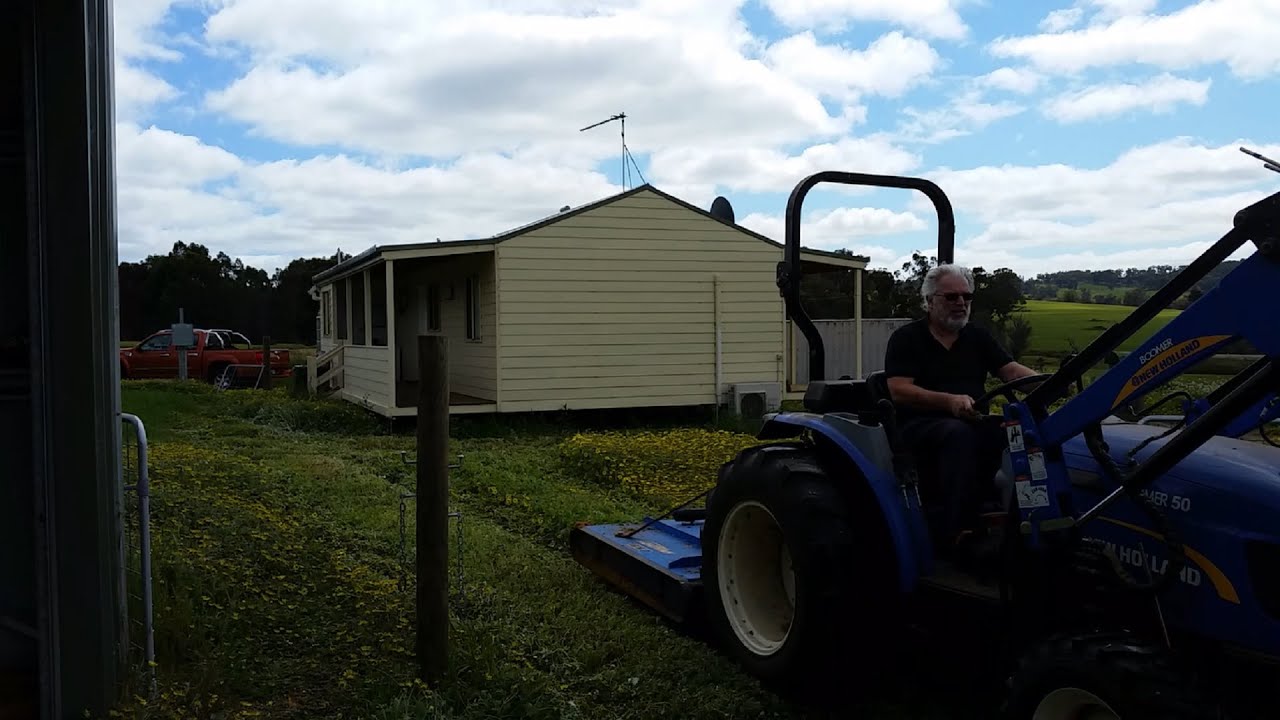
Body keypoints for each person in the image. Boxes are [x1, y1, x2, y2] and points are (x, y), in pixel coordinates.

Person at [882, 263, 1040, 568]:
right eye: (951, 297)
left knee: (1012, 431)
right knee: (960, 436)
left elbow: (1009, 371)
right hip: (918, 425)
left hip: (971, 420)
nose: (961, 304)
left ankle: (1016, 516)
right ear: (929, 301)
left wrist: (1045, 380)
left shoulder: (977, 336)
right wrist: (948, 402)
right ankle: (958, 531)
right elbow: (898, 390)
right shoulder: (907, 339)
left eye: (966, 297)